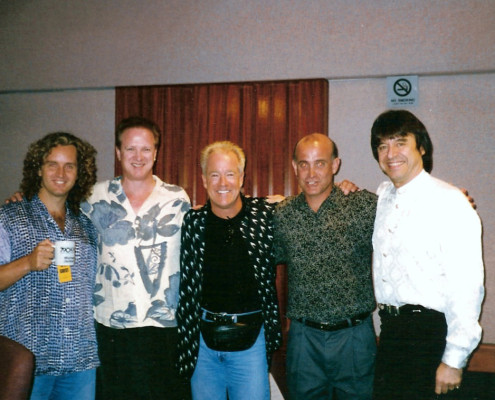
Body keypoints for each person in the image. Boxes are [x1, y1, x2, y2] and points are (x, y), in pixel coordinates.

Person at [370, 109, 484, 399]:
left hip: (430, 336)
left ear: (421, 146)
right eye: (382, 146)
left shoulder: (449, 201)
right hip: (391, 333)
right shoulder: (383, 198)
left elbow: (467, 285)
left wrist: (453, 360)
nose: (390, 153)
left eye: (400, 142)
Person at [81, 117, 191, 399]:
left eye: (146, 149)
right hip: (112, 323)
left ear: (156, 152)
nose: (138, 157)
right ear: (118, 152)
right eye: (130, 149)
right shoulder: (94, 197)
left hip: (163, 325)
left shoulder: (177, 198)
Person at [273, 133, 377, 400]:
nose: (311, 173)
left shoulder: (362, 206)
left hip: (354, 337)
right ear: (294, 167)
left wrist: (453, 199)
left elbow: (407, 213)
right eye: (303, 164)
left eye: (320, 163)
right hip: (304, 339)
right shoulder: (282, 214)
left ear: (335, 165)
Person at [176, 141, 282, 400]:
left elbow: (308, 201)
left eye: (230, 173)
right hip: (203, 345)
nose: (222, 182)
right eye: (214, 174)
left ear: (242, 177)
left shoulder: (265, 215)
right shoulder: (193, 222)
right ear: (203, 180)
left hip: (251, 342)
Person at [0, 132, 99, 399]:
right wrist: (27, 263)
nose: (61, 172)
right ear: (38, 169)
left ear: (80, 172)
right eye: (52, 164)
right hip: (28, 361)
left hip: (80, 362)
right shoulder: (10, 217)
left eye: (70, 165)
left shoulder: (86, 226)